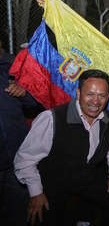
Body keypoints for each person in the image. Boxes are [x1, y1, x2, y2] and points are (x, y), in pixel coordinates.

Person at [14, 70, 109, 226]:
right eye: (90, 94)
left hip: (87, 178)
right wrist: (36, 193)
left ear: (108, 97)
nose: (96, 101)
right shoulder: (52, 119)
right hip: (55, 183)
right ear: (78, 93)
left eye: (102, 95)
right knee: (47, 218)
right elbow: (24, 160)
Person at [0, 39, 38, 226]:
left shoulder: (12, 68)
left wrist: (24, 93)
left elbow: (34, 101)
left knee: (19, 210)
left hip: (17, 157)